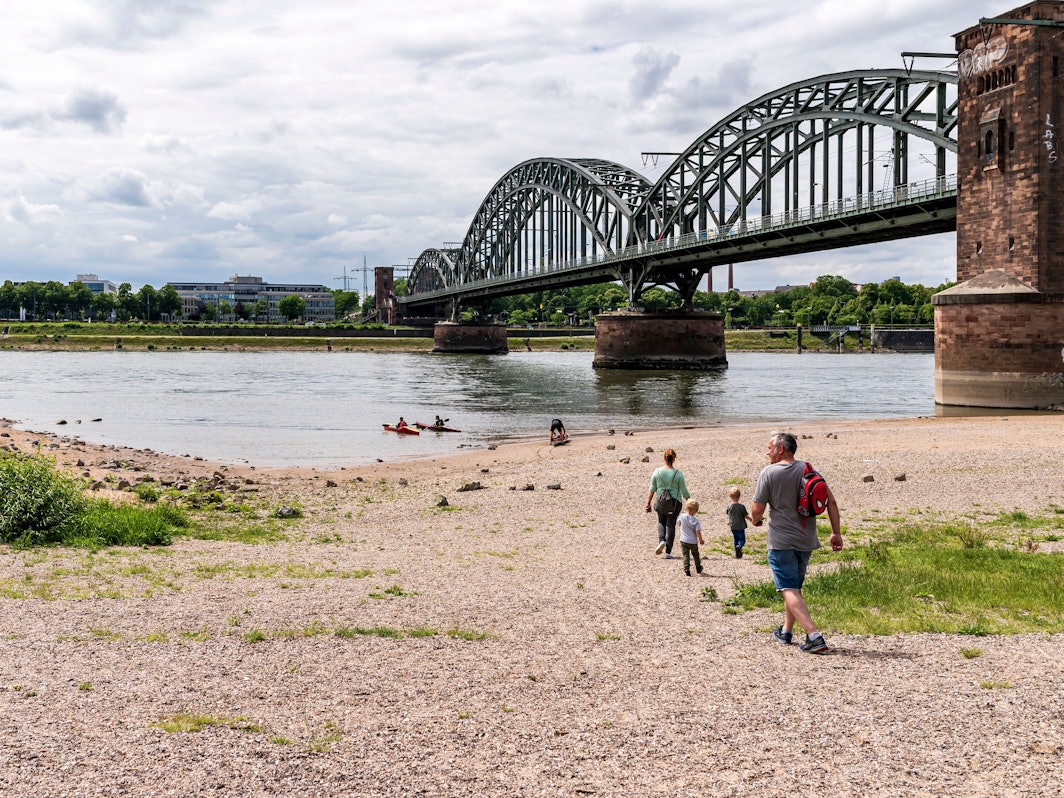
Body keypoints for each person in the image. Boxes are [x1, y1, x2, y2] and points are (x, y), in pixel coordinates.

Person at [750, 431, 843, 654]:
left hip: (781, 540)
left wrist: (755, 520)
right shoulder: (809, 469)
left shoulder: (769, 472)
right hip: (806, 538)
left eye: (770, 448)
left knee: (788, 588)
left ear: (780, 449)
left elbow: (757, 510)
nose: (767, 452)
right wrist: (836, 532)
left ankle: (814, 636)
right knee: (794, 588)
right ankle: (786, 631)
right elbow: (831, 501)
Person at [645, 448, 690, 559]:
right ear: (674, 459)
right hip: (674, 502)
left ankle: (661, 541)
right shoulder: (678, 474)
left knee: (661, 521)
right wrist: (690, 502)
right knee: (671, 525)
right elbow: (684, 491)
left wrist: (648, 503)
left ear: (664, 458)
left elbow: (652, 489)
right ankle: (668, 552)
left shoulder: (657, 472)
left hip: (660, 501)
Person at [677, 498, 704, 576]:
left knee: (686, 555)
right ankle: (698, 567)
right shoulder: (696, 521)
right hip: (693, 541)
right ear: (696, 510)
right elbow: (698, 532)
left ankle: (687, 569)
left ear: (686, 508)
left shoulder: (682, 516)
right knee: (695, 554)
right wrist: (701, 540)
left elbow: (679, 524)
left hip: (683, 540)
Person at [726, 487, 752, 559]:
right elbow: (745, 515)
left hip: (733, 526)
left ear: (730, 497)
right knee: (742, 539)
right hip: (740, 526)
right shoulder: (741, 507)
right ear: (739, 497)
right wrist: (750, 519)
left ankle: (737, 553)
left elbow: (730, 515)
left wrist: (729, 522)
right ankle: (739, 546)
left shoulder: (729, 506)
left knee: (735, 539)